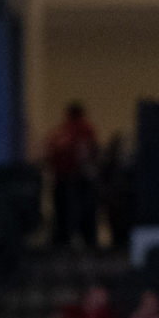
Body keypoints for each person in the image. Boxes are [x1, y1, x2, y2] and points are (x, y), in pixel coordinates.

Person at [46, 103, 100, 247]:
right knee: (84, 215)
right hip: (78, 180)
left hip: (61, 181)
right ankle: (87, 243)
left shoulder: (60, 131)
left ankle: (64, 241)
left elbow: (50, 154)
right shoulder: (85, 129)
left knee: (63, 217)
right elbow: (88, 154)